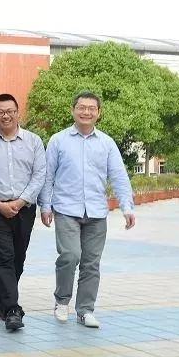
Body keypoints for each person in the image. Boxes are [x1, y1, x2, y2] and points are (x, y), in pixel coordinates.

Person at [39, 91, 136, 329]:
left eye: (91, 108)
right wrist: (45, 205)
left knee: (91, 263)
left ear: (98, 113)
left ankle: (85, 310)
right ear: (73, 110)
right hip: (66, 210)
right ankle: (62, 301)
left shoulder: (106, 143)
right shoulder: (58, 140)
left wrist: (127, 207)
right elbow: (47, 176)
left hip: (96, 212)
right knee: (70, 256)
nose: (86, 112)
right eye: (81, 107)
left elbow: (118, 176)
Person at [0, 93, 46, 331]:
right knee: (2, 257)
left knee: (18, 258)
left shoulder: (34, 142)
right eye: (0, 112)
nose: (5, 116)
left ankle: (2, 299)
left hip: (24, 209)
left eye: (10, 111)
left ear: (17, 113)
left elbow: (40, 174)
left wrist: (21, 202)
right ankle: (13, 310)